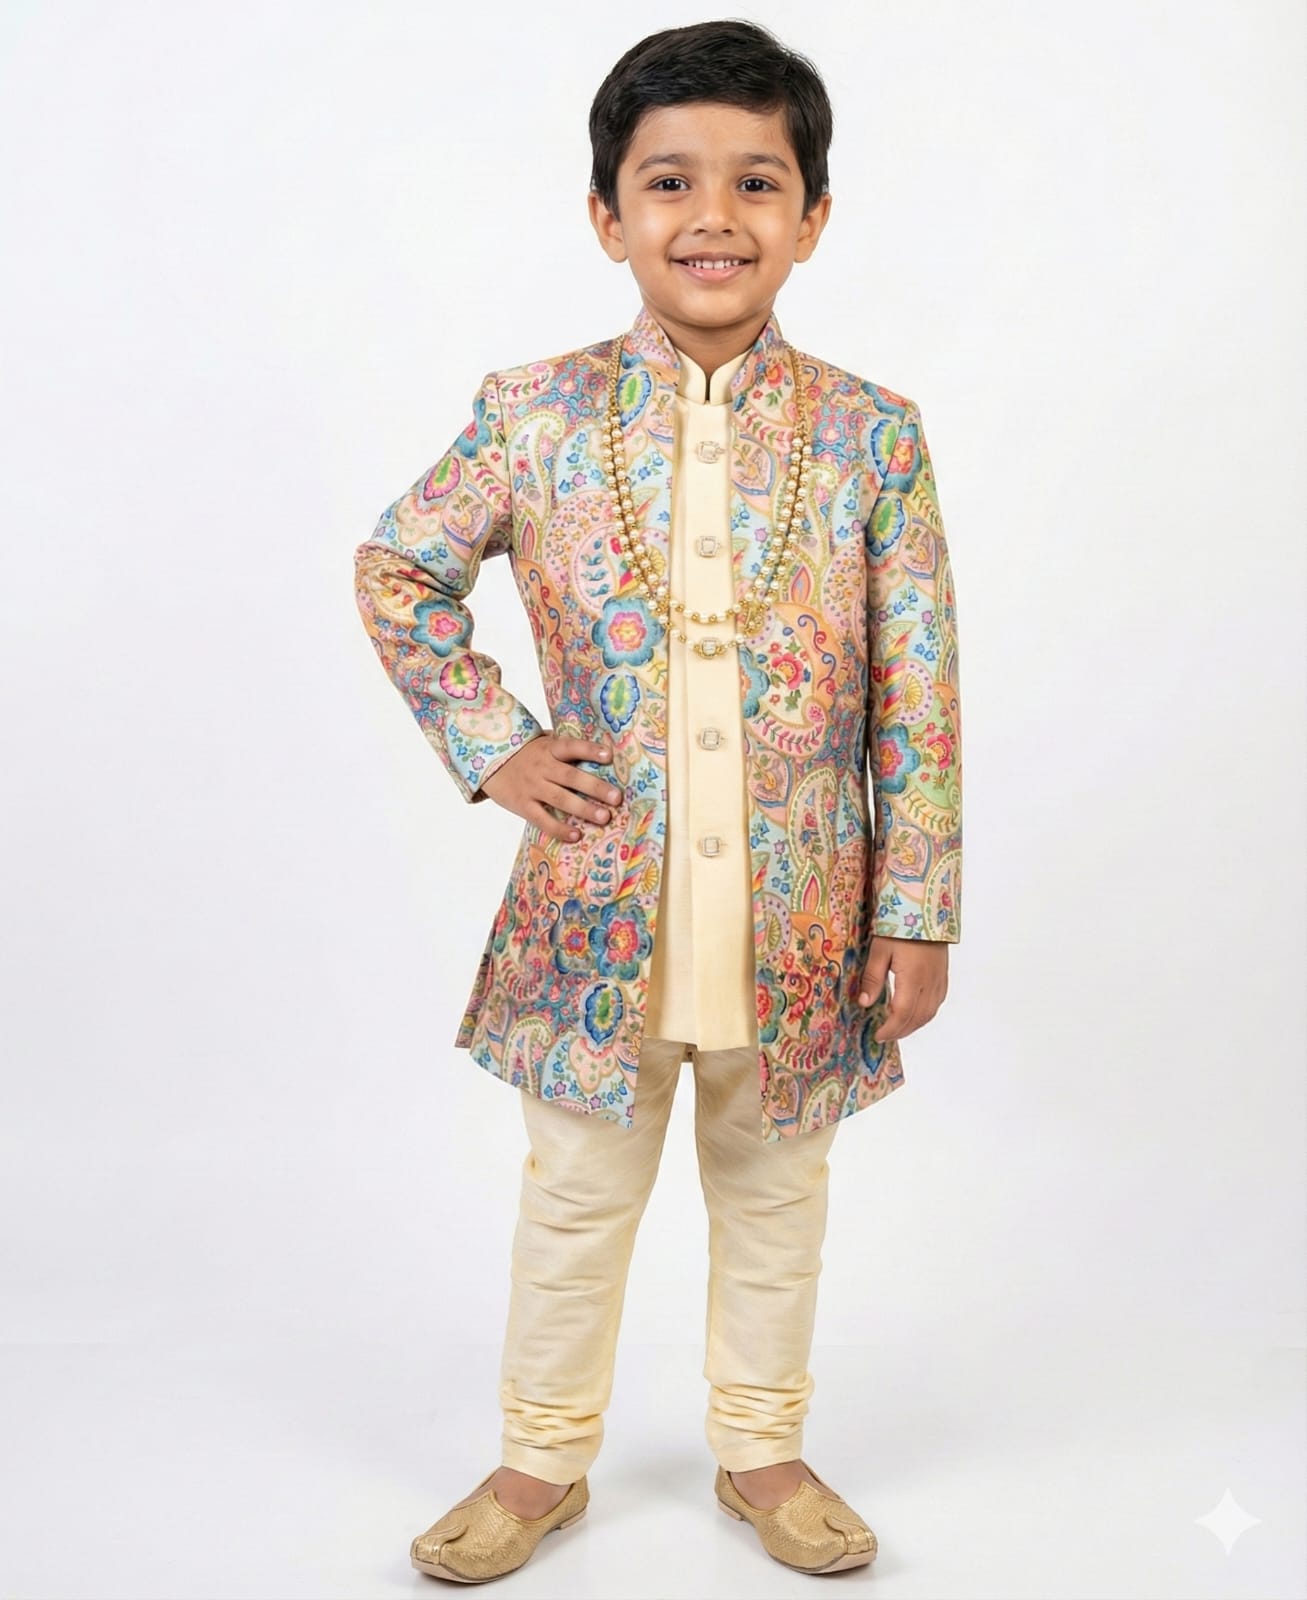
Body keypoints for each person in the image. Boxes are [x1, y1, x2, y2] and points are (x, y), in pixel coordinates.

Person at [353, 18, 963, 1583]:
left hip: (804, 914)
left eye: (757, 182)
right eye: (669, 181)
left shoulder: (870, 436)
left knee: (778, 1197)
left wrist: (919, 912)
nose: (714, 217)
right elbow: (401, 566)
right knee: (575, 1200)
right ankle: (537, 1464)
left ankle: (761, 1450)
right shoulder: (536, 413)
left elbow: (919, 688)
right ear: (606, 214)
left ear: (811, 217)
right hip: (599, 916)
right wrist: (493, 741)